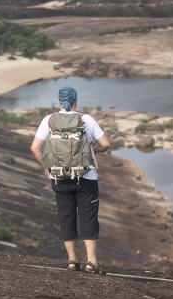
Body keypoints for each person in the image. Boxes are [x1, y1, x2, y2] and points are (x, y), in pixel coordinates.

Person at [30, 86, 112, 274]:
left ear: (59, 102)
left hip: (59, 178)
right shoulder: (85, 120)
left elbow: (35, 148)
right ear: (76, 100)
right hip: (86, 178)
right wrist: (94, 151)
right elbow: (106, 144)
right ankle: (91, 262)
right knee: (88, 217)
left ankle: (72, 260)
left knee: (66, 217)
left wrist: (47, 169)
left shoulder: (48, 120)